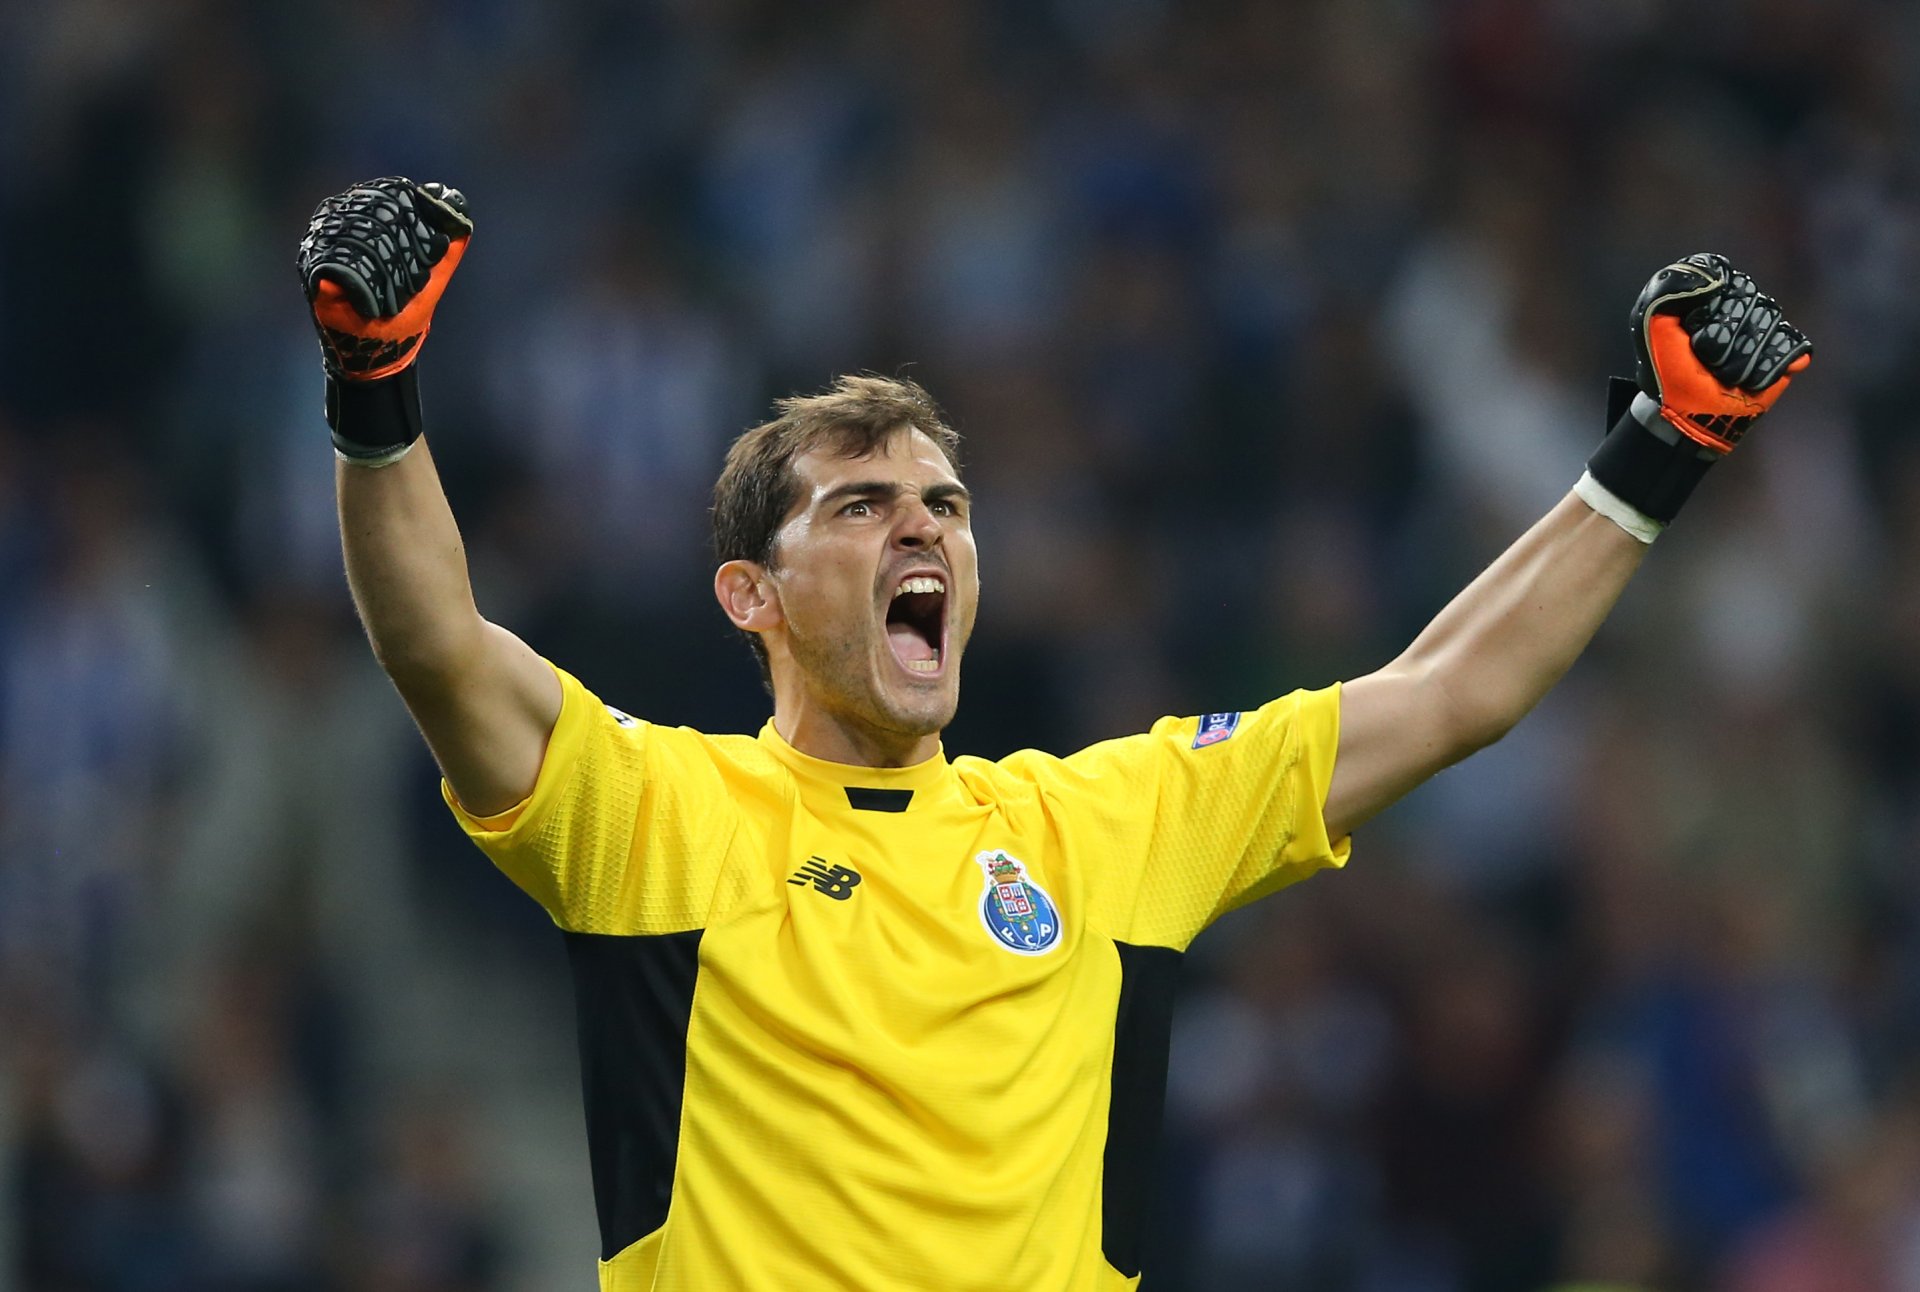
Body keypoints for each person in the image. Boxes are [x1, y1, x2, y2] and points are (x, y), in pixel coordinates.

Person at [297, 177, 1811, 1291]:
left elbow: (1447, 693)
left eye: (947, 505)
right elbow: (438, 642)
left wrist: (1653, 453)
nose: (926, 530)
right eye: (866, 505)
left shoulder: (1101, 827)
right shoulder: (660, 816)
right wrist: (379, 392)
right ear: (748, 595)